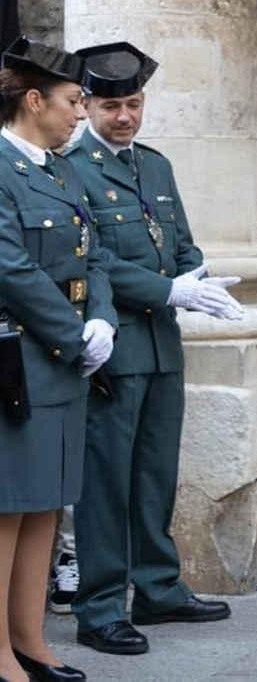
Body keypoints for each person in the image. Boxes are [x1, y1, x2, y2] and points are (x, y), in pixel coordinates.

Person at [63, 42, 242, 656]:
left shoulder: (156, 166)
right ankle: (101, 606)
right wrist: (170, 289)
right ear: (85, 104)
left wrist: (199, 280)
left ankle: (159, 588)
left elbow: (183, 243)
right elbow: (95, 257)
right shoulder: (71, 167)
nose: (125, 117)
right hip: (114, 346)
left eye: (134, 104)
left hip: (163, 346)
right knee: (107, 483)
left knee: (156, 476)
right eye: (112, 106)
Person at [0, 39, 114, 682]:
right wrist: (74, 337)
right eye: (74, 102)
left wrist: (99, 317)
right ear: (35, 99)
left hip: (64, 361)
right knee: (7, 509)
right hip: (20, 360)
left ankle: (30, 641)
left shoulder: (58, 169)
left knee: (46, 503)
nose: (80, 114)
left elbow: (92, 253)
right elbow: (9, 268)